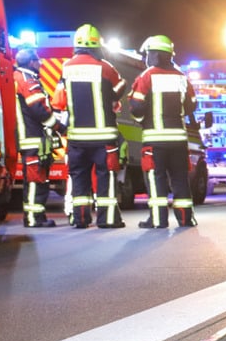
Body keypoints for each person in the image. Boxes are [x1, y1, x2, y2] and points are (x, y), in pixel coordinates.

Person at [51, 24, 127, 228]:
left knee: (79, 180)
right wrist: (110, 98)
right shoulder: (105, 67)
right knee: (105, 178)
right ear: (97, 45)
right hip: (104, 139)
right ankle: (108, 219)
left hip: (77, 139)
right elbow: (121, 86)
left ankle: (81, 218)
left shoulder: (66, 68)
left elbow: (58, 101)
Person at [128, 35, 197, 228]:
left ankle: (158, 220)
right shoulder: (182, 77)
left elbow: (135, 106)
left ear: (154, 54)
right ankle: (185, 219)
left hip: (155, 140)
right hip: (179, 141)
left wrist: (143, 120)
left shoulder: (146, 76)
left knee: (156, 178)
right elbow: (192, 105)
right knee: (180, 179)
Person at [13, 46, 59, 227]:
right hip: (33, 138)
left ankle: (36, 217)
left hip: (29, 139)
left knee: (35, 179)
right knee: (35, 180)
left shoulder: (18, 78)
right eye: (38, 61)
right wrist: (59, 126)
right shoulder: (28, 80)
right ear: (31, 62)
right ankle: (34, 218)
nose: (40, 64)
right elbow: (39, 109)